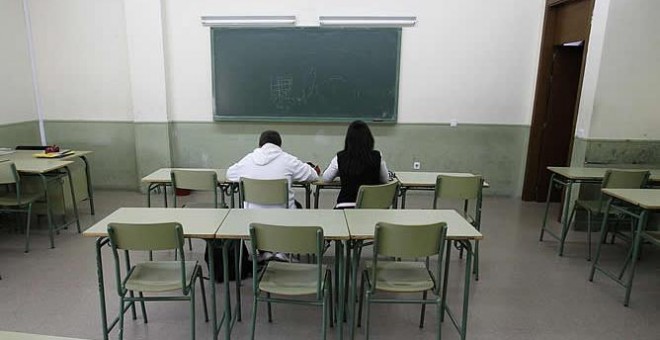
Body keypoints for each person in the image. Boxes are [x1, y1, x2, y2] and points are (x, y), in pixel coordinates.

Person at [226, 130, 319, 209]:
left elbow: (229, 174)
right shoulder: (288, 160)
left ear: (260, 145)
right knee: (298, 206)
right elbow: (313, 176)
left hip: (252, 217)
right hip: (284, 218)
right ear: (279, 145)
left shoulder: (247, 160)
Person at [322, 120, 389, 208]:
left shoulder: (340, 157)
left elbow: (326, 178)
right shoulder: (377, 156)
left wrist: (341, 172)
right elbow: (385, 179)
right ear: (369, 138)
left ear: (348, 139)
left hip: (344, 207)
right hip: (371, 208)